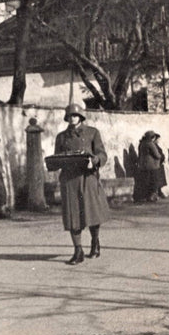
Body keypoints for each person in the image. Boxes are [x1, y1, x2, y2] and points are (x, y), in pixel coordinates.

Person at [53, 103, 110, 265]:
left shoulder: (92, 133)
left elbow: (102, 154)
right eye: (70, 116)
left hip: (88, 178)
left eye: (75, 115)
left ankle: (95, 242)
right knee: (72, 215)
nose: (72, 118)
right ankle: (78, 251)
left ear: (81, 117)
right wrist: (54, 162)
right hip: (69, 180)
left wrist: (95, 161)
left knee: (91, 212)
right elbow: (57, 156)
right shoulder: (61, 137)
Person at [136, 131, 162, 203]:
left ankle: (145, 197)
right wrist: (160, 156)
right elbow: (157, 155)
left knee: (145, 181)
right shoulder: (150, 144)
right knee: (153, 181)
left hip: (143, 165)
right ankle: (152, 197)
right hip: (152, 166)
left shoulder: (141, 144)